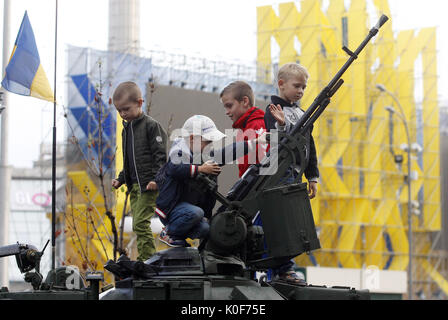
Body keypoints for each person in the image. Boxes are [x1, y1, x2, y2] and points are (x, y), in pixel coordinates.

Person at [155, 115, 266, 247]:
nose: (209, 145)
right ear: (192, 138)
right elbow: (174, 169)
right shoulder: (179, 151)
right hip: (172, 209)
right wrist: (200, 169)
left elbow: (226, 153)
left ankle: (178, 238)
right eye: (207, 141)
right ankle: (169, 233)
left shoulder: (200, 156)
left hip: (186, 208)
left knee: (206, 229)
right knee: (196, 213)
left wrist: (255, 142)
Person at [263, 63, 320, 284]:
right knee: (285, 222)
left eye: (304, 87)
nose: (301, 91)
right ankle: (282, 268)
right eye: (297, 86)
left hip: (296, 174)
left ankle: (284, 267)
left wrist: (312, 175)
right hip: (280, 173)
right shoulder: (272, 111)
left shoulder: (300, 112)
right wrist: (282, 125)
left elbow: (309, 145)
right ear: (281, 84)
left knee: (296, 222)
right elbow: (275, 142)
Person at [111, 81, 167, 262]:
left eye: (126, 109)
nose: (122, 114)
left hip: (148, 185)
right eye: (119, 111)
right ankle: (146, 258)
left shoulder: (151, 126)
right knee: (138, 225)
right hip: (134, 186)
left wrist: (156, 179)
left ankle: (148, 259)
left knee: (140, 223)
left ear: (140, 102)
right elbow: (128, 158)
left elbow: (160, 156)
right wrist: (121, 178)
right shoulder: (126, 129)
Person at [220, 81, 266, 177]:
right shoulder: (245, 128)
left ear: (245, 101)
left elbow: (262, 166)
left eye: (229, 106)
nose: (226, 112)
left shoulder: (257, 125)